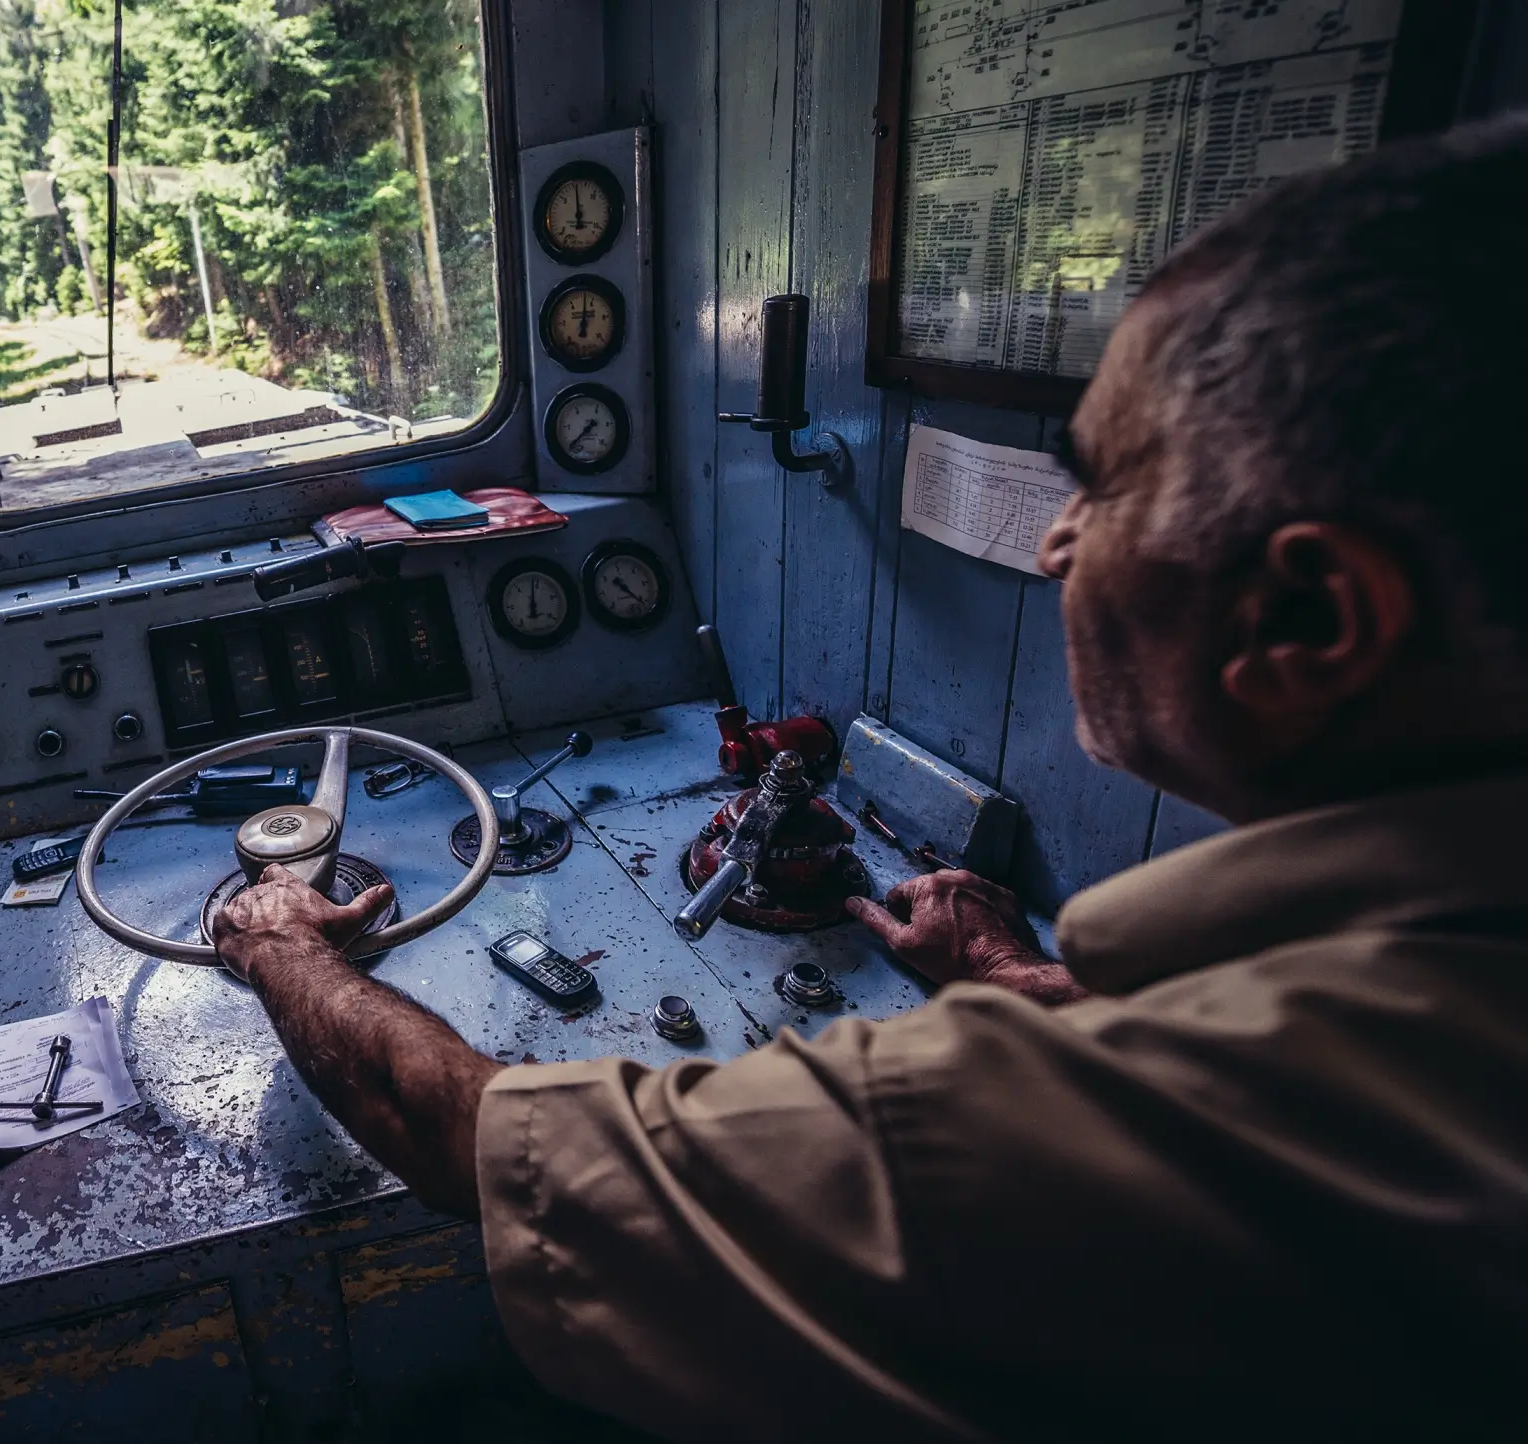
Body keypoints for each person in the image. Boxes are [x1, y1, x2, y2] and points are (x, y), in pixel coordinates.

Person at [212, 123, 1528, 1442]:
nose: (1059, 542)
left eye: (1100, 482)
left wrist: (286, 951)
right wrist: (1034, 990)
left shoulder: (1039, 1134)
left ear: (1306, 618)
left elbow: (466, 1143)